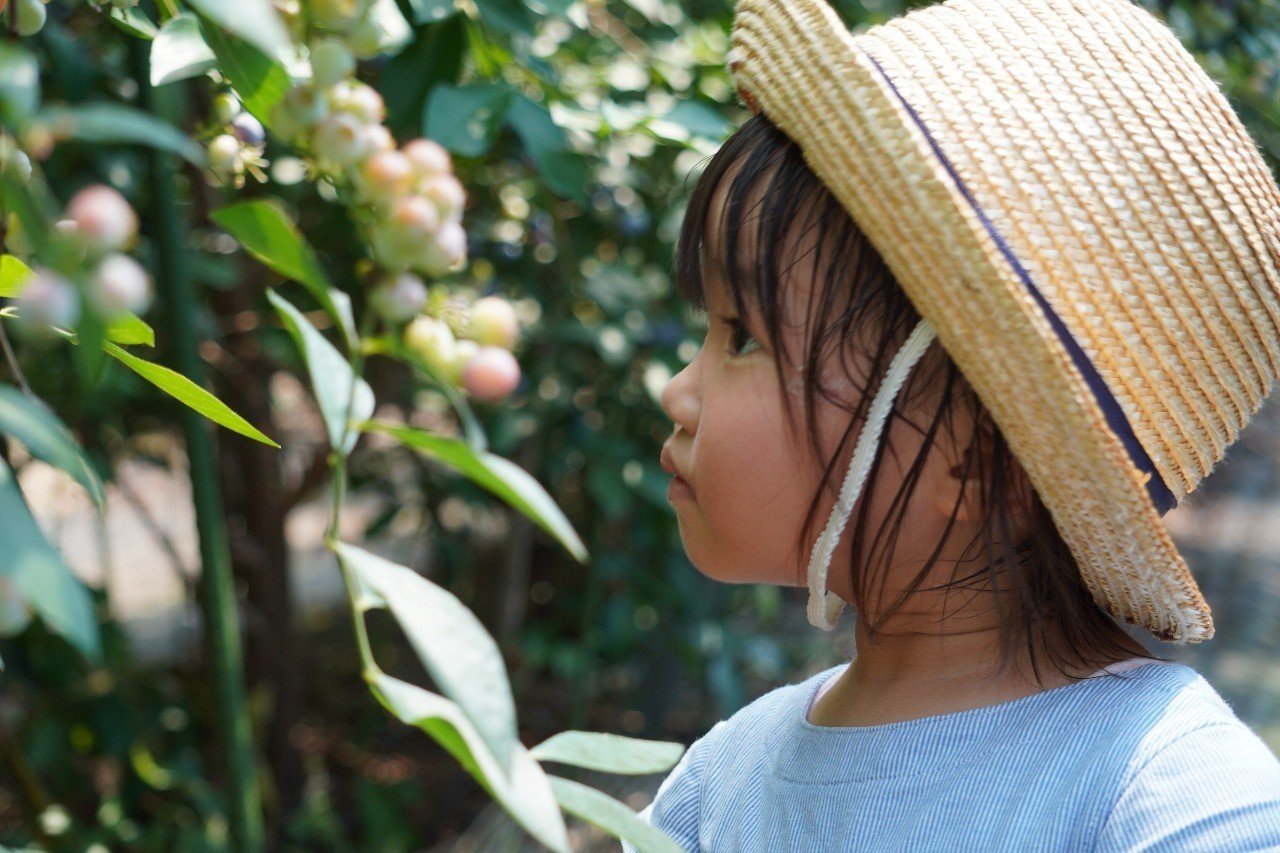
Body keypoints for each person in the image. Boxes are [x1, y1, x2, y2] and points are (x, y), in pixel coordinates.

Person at [628, 0, 1280, 848]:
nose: (680, 391)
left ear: (972, 459)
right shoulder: (714, 785)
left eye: (742, 336)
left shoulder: (1173, 796)